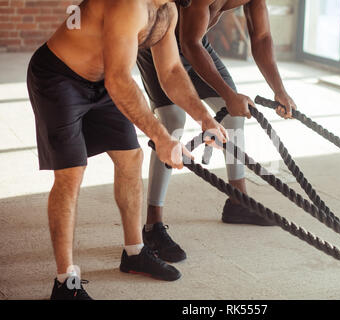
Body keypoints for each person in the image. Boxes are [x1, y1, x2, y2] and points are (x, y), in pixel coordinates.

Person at [26, 0, 227, 300]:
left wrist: (205, 117)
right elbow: (120, 80)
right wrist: (161, 137)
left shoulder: (166, 11)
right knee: (71, 173)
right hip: (59, 77)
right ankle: (64, 282)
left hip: (103, 80)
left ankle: (134, 254)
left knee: (131, 158)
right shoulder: (129, 5)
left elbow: (171, 71)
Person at [137, 0, 297, 264]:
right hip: (160, 41)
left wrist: (279, 89)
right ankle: (153, 224)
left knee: (234, 114)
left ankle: (238, 201)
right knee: (172, 121)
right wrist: (228, 94)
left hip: (197, 45)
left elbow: (263, 36)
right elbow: (189, 42)